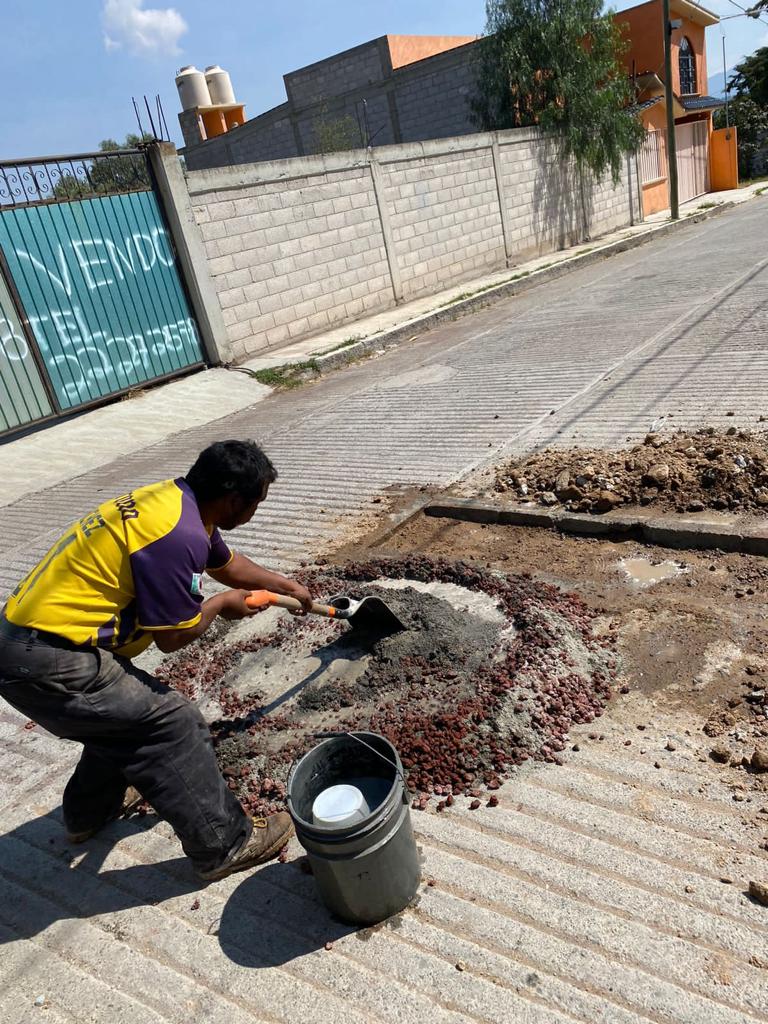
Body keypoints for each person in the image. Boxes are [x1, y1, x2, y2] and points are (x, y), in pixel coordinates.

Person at [0, 440, 312, 881]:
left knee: (119, 718)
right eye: (256, 504)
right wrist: (222, 604)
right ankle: (224, 843)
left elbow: (224, 562)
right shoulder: (176, 536)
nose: (255, 513)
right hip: (47, 656)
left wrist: (286, 586)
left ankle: (89, 814)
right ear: (233, 500)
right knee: (170, 721)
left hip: (30, 639)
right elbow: (173, 635)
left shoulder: (175, 503)